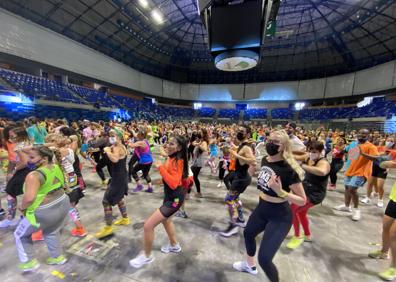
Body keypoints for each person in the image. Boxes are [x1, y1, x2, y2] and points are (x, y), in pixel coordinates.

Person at [233, 129, 306, 282]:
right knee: (248, 234)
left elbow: (302, 200)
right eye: (269, 140)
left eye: (275, 142)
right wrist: (250, 171)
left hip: (280, 216)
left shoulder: (288, 170)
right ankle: (249, 265)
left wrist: (281, 191)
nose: (270, 144)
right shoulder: (266, 159)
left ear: (284, 146)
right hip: (262, 208)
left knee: (265, 260)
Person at [129, 135, 188, 268]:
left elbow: (173, 183)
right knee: (166, 221)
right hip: (170, 197)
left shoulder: (178, 161)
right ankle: (174, 245)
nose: (168, 145)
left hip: (174, 199)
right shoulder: (172, 158)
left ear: (179, 148)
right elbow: (174, 179)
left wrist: (160, 168)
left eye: (172, 144)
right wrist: (160, 180)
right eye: (168, 143)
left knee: (148, 226)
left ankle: (146, 256)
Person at [13, 146, 70, 272]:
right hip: (63, 203)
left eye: (32, 157)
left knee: (20, 235)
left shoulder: (34, 175)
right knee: (51, 231)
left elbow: (29, 198)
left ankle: (29, 262)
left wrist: (22, 207)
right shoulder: (56, 165)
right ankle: (57, 257)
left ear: (44, 158)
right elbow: (31, 150)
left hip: (44, 211)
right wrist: (28, 149)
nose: (29, 159)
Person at [286, 141, 330, 249]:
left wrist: (302, 165)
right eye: (310, 151)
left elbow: (322, 172)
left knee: (292, 210)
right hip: (305, 191)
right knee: (301, 214)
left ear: (320, 152)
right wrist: (286, 152)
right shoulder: (309, 156)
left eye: (314, 152)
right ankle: (307, 235)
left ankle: (297, 236)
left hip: (315, 194)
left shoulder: (324, 162)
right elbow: (296, 155)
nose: (311, 153)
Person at [334, 129, 378, 221]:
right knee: (347, 188)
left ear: (368, 136)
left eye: (364, 134)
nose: (361, 135)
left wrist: (363, 154)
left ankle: (356, 209)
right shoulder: (353, 144)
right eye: (360, 133)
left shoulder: (371, 146)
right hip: (350, 169)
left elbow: (376, 158)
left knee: (352, 189)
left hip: (361, 171)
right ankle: (346, 206)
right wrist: (340, 146)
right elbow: (345, 151)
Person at [221, 126, 256, 237]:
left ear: (248, 134)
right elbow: (239, 149)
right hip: (241, 177)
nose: (239, 132)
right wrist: (233, 147)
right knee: (235, 198)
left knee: (229, 199)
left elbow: (253, 161)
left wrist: (236, 155)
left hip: (241, 179)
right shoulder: (242, 145)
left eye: (242, 131)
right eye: (239, 130)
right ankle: (240, 220)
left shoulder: (246, 147)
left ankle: (234, 225)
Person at [95, 131, 130, 239]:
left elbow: (114, 159)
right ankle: (125, 219)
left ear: (119, 137)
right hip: (121, 176)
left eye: (113, 136)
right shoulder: (121, 146)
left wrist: (107, 151)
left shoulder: (116, 147)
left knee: (106, 202)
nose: (111, 138)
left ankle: (108, 228)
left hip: (118, 178)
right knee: (119, 198)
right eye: (110, 136)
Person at [368, 159, 396, 281]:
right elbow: (384, 164)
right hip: (395, 198)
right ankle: (384, 252)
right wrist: (387, 163)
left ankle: (394, 267)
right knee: (386, 227)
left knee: (394, 235)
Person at [0, 127, 31, 228]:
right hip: (28, 171)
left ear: (20, 136)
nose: (10, 138)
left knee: (10, 192)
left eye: (13, 136)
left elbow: (25, 162)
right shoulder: (27, 142)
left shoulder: (19, 146)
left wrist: (15, 170)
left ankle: (10, 218)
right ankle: (23, 217)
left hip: (23, 171)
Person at [190, 128, 209, 198]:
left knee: (191, 176)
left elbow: (205, 149)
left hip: (198, 162)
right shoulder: (200, 140)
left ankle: (188, 192)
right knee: (194, 177)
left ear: (203, 134)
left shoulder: (204, 142)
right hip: (195, 161)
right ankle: (198, 192)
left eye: (200, 132)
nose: (198, 133)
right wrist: (196, 143)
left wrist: (198, 145)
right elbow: (192, 143)